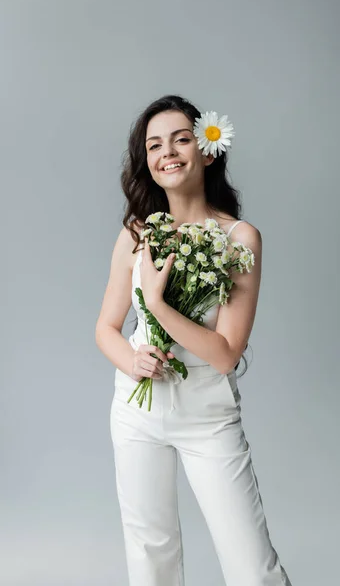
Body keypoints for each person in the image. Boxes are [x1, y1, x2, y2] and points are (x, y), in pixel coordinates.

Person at [95, 95, 292, 586]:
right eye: (154, 145)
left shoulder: (239, 239)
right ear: (147, 163)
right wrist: (135, 360)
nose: (168, 153)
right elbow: (106, 328)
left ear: (207, 150)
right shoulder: (137, 233)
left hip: (208, 416)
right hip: (137, 415)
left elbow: (226, 354)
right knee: (150, 556)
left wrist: (159, 306)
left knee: (253, 568)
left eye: (182, 139)